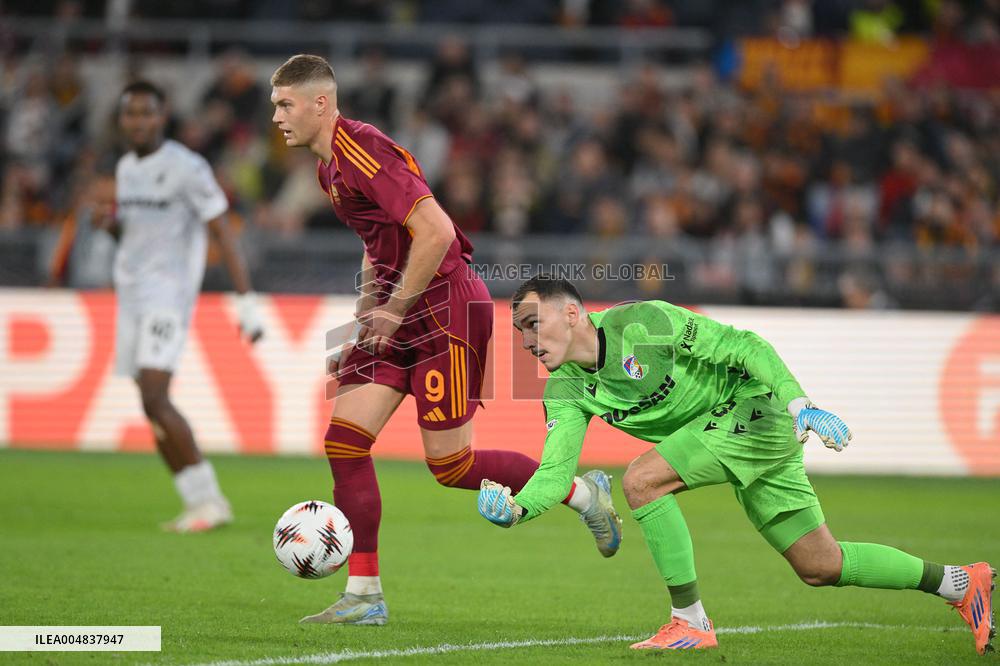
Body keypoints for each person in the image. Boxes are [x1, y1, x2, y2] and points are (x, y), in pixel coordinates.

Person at [268, 54, 623, 625]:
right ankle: (364, 596)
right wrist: (368, 305)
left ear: (320, 103)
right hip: (399, 308)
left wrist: (395, 307)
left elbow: (433, 230)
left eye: (286, 104)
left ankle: (584, 495)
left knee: (452, 466)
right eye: (274, 105)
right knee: (345, 441)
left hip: (446, 310)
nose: (277, 116)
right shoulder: (327, 168)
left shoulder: (362, 149)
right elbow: (378, 238)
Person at [478, 275, 995, 654]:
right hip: (727, 438)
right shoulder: (567, 390)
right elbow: (553, 473)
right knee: (820, 565)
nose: (525, 340)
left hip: (755, 411)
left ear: (571, 314)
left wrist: (800, 403)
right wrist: (517, 510)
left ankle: (689, 620)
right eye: (519, 331)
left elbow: (742, 346)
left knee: (641, 480)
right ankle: (958, 581)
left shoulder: (645, 323)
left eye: (532, 323)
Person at [100, 81, 265, 533]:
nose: (138, 121)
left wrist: (246, 300)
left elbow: (223, 232)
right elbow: (133, 234)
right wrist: (111, 225)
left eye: (146, 112)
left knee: (156, 396)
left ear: (162, 114)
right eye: (130, 113)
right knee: (149, 404)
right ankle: (199, 501)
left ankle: (210, 500)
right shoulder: (127, 168)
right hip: (130, 297)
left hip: (167, 298)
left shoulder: (188, 167)